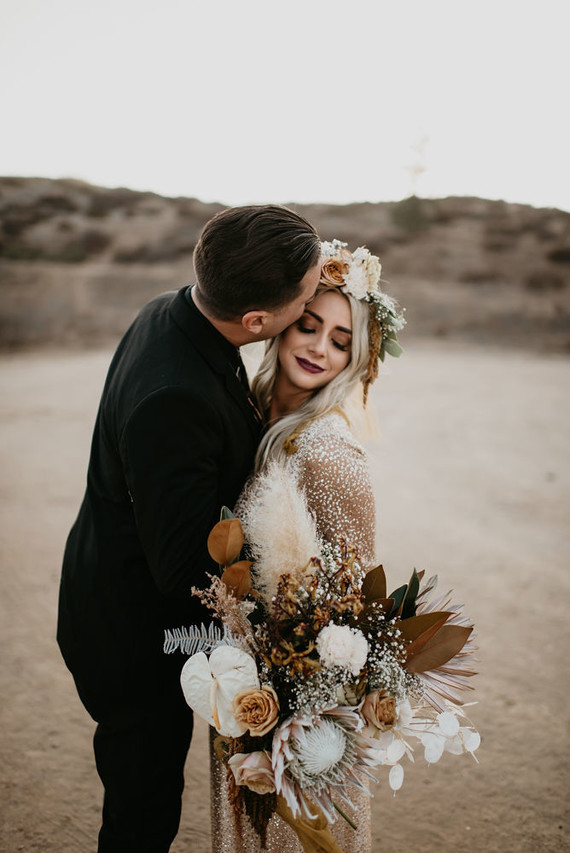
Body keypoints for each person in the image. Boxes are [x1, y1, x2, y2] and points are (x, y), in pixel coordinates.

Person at [56, 204, 322, 853]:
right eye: (307, 299)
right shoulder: (174, 398)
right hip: (134, 636)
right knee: (143, 811)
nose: (313, 304)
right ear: (257, 322)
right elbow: (183, 570)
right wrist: (293, 615)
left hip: (124, 587)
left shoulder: (174, 308)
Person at [208, 239, 405, 853]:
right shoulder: (250, 418)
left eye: (341, 340)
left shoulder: (330, 453)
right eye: (310, 326)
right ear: (283, 326)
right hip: (243, 690)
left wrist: (305, 723)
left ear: (357, 358)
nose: (320, 347)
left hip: (302, 712)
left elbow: (353, 607)